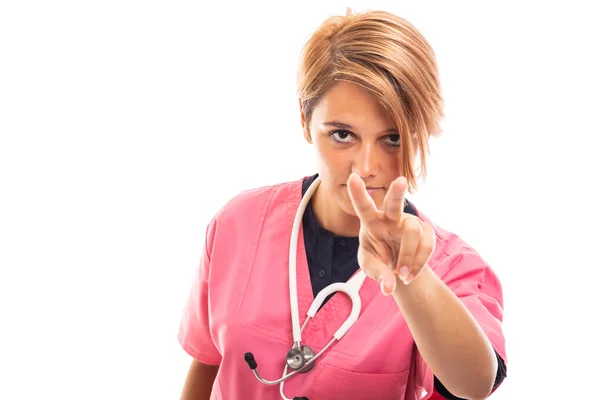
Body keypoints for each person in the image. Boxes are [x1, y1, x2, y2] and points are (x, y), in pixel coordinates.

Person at [177, 8, 507, 400]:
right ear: (305, 121)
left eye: (393, 139)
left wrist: (408, 277)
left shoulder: (450, 265)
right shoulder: (238, 223)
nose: (366, 168)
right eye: (342, 134)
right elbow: (208, 362)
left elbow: (475, 383)